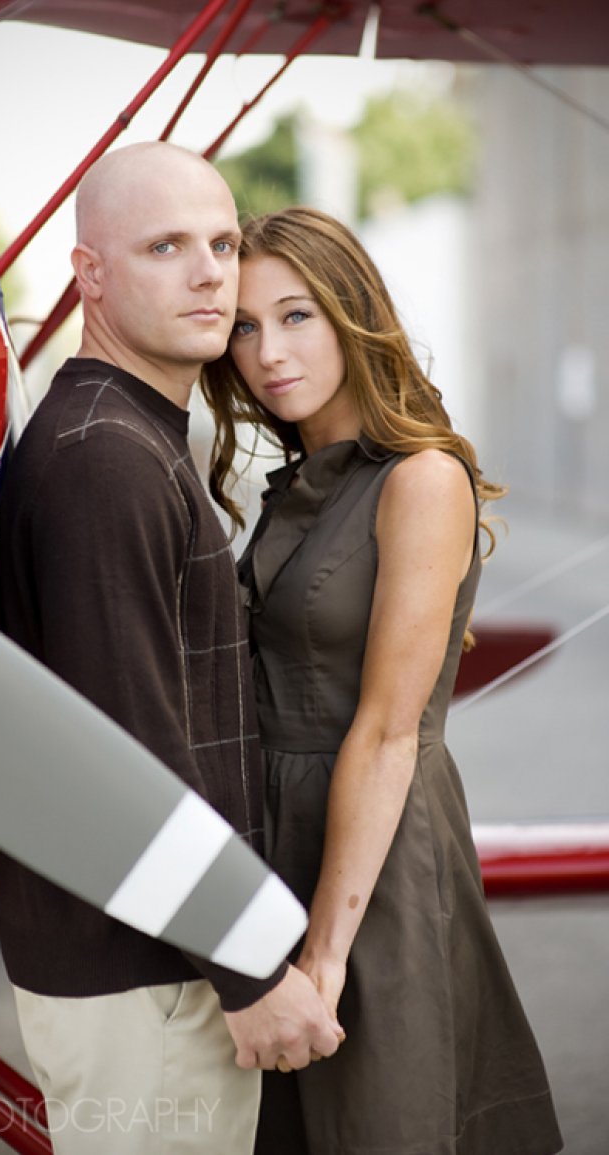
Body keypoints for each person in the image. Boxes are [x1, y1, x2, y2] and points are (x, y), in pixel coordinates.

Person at [0, 148, 342, 1155]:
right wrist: (246, 973)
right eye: (165, 246)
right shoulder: (107, 457)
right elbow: (136, 751)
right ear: (90, 275)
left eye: (223, 244)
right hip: (146, 978)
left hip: (151, 963)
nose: (209, 274)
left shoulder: (132, 433)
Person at [200, 205, 564, 1155]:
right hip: (278, 842)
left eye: (296, 315)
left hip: (375, 854)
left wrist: (325, 952)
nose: (267, 350)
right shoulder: (299, 478)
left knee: (380, 1118)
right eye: (243, 326)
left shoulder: (420, 480)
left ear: (353, 312)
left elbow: (388, 731)